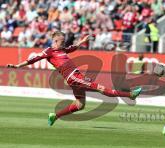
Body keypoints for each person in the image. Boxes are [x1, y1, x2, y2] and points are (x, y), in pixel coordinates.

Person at [7, 31, 142, 126]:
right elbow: (33, 59)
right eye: (61, 41)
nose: (63, 43)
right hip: (73, 77)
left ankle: (55, 116)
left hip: (74, 78)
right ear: (55, 41)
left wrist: (83, 40)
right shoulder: (49, 51)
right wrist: (18, 65)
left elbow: (74, 47)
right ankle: (130, 95)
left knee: (80, 105)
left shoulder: (62, 50)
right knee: (101, 88)